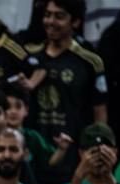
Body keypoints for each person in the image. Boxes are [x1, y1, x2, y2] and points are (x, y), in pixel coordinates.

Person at [24, 0, 107, 148]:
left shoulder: (90, 61)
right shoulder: (28, 55)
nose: (50, 21)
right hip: (32, 151)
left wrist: (97, 146)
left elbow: (99, 113)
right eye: (47, 15)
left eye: (59, 16)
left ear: (75, 22)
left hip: (73, 150)